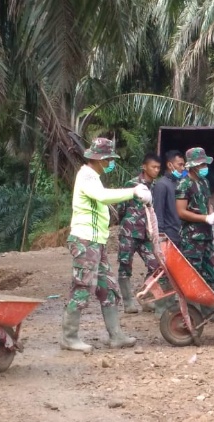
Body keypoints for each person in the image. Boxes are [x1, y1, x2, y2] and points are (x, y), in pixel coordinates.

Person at [61, 137, 151, 353]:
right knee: (82, 287)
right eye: (109, 159)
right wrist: (133, 191)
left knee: (108, 288)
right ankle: (69, 336)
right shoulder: (86, 176)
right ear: (100, 159)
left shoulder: (94, 176)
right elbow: (102, 197)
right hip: (85, 241)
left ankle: (116, 335)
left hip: (96, 242)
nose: (111, 162)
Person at [175, 147, 214, 323]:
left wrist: (213, 214)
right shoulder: (184, 184)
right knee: (192, 276)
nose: (204, 166)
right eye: (201, 164)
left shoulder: (204, 182)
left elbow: (207, 204)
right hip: (191, 238)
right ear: (192, 166)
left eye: (205, 163)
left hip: (206, 237)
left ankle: (209, 311)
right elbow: (181, 212)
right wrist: (205, 218)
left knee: (213, 273)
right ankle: (191, 314)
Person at [116, 153, 162, 314]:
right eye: (153, 167)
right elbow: (121, 208)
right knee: (125, 266)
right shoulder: (132, 185)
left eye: (158, 167)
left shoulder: (155, 187)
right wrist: (127, 222)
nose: (156, 170)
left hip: (146, 234)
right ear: (144, 167)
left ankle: (146, 298)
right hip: (129, 232)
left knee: (155, 265)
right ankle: (128, 302)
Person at [153, 150, 186, 247]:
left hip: (181, 235)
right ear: (169, 165)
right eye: (180, 165)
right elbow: (158, 212)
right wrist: (160, 236)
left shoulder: (181, 184)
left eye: (183, 165)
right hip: (169, 237)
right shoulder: (161, 185)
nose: (182, 168)